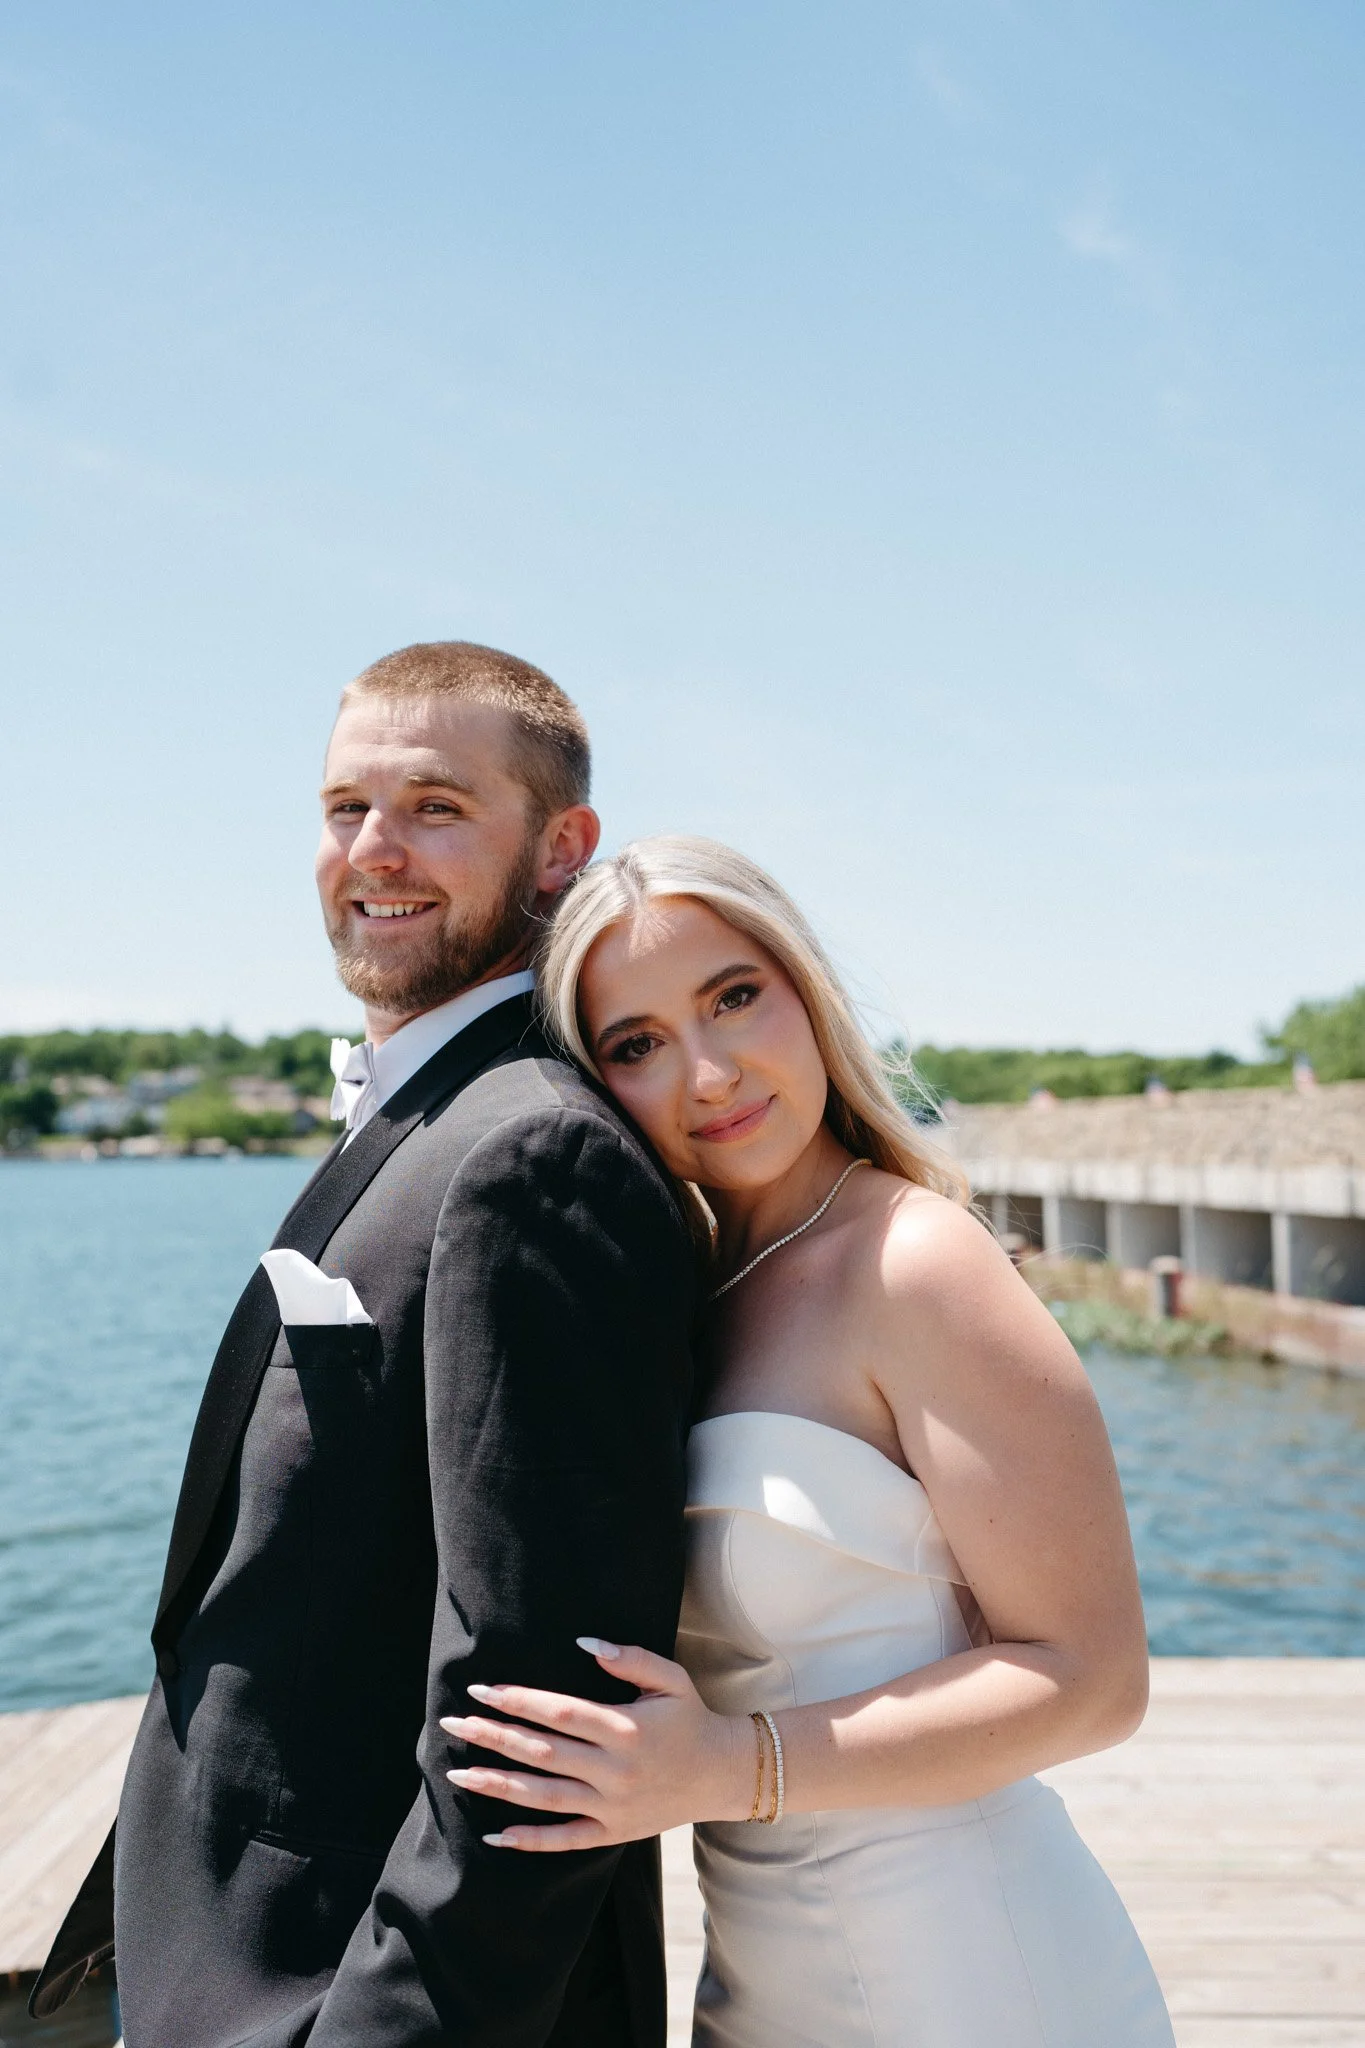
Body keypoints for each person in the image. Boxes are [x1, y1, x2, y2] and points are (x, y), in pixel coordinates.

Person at [31, 646, 696, 2047]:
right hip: (224, 1956)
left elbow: (538, 1725)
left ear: (560, 849)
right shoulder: (432, 1111)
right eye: (346, 808)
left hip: (341, 1997)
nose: (373, 850)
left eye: (436, 807)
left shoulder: (535, 1151)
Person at [436, 835, 1176, 2048]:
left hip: (969, 1973)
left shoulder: (917, 1261)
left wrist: (732, 1765)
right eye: (637, 1043)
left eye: (734, 997)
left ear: (807, 988)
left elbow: (1094, 1679)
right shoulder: (681, 1295)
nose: (710, 1071)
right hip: (757, 1974)